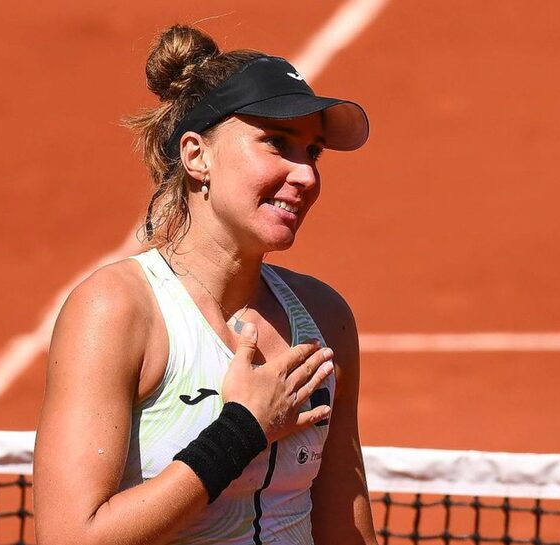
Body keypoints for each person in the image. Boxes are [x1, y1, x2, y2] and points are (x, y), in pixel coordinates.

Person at [34, 24, 378, 545]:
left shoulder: (324, 317)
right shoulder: (118, 309)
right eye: (277, 143)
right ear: (197, 156)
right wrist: (242, 430)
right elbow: (69, 538)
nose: (306, 175)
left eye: (313, 152)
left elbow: (345, 529)